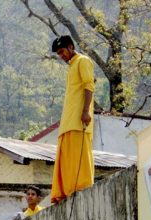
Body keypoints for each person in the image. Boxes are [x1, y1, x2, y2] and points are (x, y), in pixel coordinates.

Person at [50, 35, 95, 204]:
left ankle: (80, 188)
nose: (61, 56)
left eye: (62, 51)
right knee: (66, 157)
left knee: (78, 156)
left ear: (70, 46)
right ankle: (66, 191)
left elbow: (89, 86)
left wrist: (85, 111)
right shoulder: (71, 66)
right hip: (68, 121)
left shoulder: (83, 61)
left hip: (78, 120)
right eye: (58, 54)